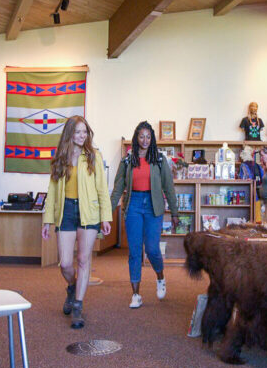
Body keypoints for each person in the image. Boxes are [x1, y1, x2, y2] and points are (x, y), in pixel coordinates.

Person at [41, 116, 112, 329]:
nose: (82, 136)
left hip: (88, 212)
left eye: (85, 132)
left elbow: (102, 188)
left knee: (83, 259)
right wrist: (47, 220)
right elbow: (52, 190)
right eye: (78, 132)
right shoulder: (61, 157)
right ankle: (72, 288)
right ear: (69, 134)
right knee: (64, 263)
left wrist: (105, 216)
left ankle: (78, 306)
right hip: (66, 211)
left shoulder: (94, 156)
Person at [111, 122, 181, 309]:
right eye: (141, 136)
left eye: (148, 136)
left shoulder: (159, 159)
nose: (145, 140)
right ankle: (136, 294)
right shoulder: (127, 160)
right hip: (133, 205)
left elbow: (169, 187)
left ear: (152, 139)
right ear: (136, 138)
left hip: (153, 206)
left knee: (151, 249)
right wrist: (107, 213)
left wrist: (175, 213)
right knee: (134, 251)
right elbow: (118, 187)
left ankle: (160, 277)